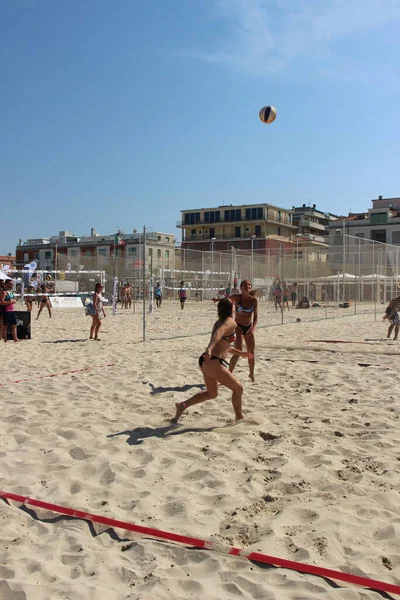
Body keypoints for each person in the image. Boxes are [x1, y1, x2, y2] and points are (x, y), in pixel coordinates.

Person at [172, 298, 252, 423]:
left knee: (212, 393)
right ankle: (239, 417)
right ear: (231, 309)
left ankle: (182, 405)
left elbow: (224, 346)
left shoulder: (219, 321)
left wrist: (240, 353)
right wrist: (209, 349)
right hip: (212, 361)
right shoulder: (230, 322)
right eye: (234, 307)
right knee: (238, 389)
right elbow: (218, 334)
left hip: (206, 361)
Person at [229, 280, 258, 382]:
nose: (247, 286)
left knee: (251, 352)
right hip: (238, 327)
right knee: (238, 351)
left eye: (249, 284)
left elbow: (256, 316)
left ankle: (251, 374)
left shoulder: (253, 300)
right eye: (245, 285)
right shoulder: (237, 298)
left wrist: (253, 328)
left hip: (248, 327)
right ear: (241, 288)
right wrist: (216, 299)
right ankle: (229, 374)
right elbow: (225, 299)